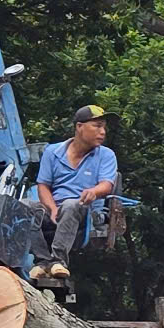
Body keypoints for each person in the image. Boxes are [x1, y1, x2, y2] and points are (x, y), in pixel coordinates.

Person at [35, 104, 120, 284]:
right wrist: (51, 208)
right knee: (23, 207)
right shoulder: (52, 152)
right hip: (54, 208)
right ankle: (42, 260)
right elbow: (43, 185)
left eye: (104, 127)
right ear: (79, 126)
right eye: (97, 126)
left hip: (85, 211)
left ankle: (58, 260)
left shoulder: (106, 155)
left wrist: (93, 191)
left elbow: (106, 184)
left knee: (71, 204)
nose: (103, 132)